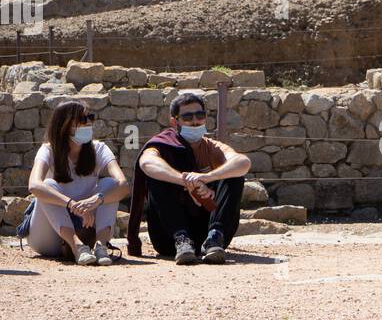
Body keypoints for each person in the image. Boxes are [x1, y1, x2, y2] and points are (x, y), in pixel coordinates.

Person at [125, 91, 251, 263]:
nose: (195, 121)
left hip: (210, 237)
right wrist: (186, 182)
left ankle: (215, 236)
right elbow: (147, 163)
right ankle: (182, 238)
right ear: (174, 121)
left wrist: (206, 178)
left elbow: (243, 162)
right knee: (157, 175)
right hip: (169, 238)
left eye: (200, 115)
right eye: (187, 117)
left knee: (234, 173)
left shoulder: (212, 147)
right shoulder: (163, 144)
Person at [26, 99, 129, 264]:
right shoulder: (48, 150)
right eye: (82, 119)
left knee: (110, 184)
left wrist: (97, 199)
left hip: (87, 229)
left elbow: (123, 185)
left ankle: (101, 246)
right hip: (48, 239)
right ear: (65, 125)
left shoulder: (99, 148)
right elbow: (34, 185)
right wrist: (71, 204)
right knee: (47, 186)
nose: (88, 122)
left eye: (90, 117)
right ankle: (76, 247)